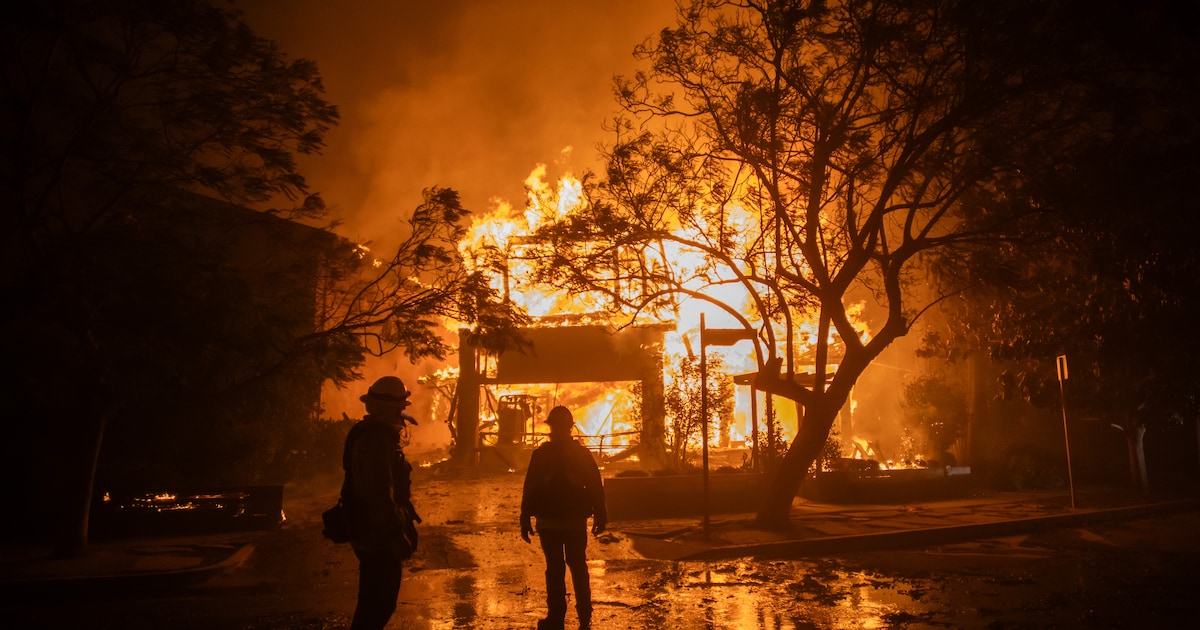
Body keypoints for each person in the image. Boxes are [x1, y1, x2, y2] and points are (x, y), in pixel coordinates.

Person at [342, 376, 422, 630]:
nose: (402, 413)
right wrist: (395, 533)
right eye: (400, 408)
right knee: (378, 604)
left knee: (374, 602)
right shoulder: (376, 441)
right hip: (377, 533)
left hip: (369, 528)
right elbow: (379, 492)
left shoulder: (369, 435)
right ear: (391, 408)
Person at [520, 405, 607, 630]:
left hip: (551, 522)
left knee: (556, 567)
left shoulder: (541, 454)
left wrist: (524, 516)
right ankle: (583, 616)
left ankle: (557, 617)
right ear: (571, 427)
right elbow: (595, 484)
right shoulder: (579, 453)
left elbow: (530, 488)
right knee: (577, 565)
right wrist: (600, 512)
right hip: (572, 521)